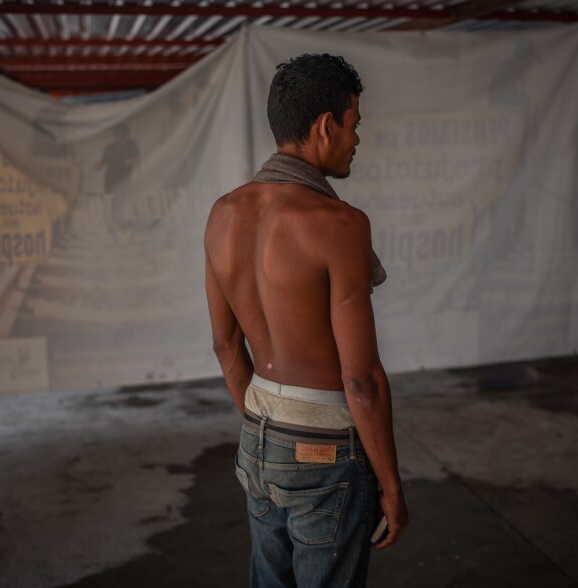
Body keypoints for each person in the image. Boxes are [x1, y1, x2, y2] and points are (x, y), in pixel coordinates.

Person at [204, 54, 408, 587]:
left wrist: (267, 432)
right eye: (354, 124)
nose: (357, 139)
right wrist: (391, 483)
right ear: (325, 125)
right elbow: (361, 379)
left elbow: (227, 349)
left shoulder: (223, 214)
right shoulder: (339, 224)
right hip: (326, 456)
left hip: (257, 442)